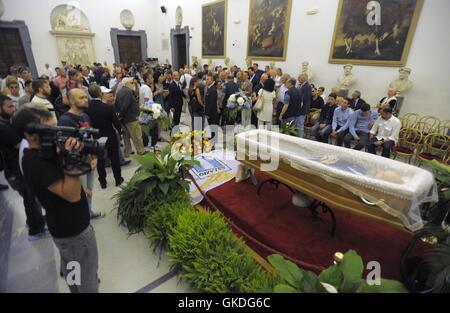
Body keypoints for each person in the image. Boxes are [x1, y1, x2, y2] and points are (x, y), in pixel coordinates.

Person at [14, 107, 99, 293]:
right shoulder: (33, 161)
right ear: (31, 132)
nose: (55, 127)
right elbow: (71, 194)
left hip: (64, 228)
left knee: (74, 273)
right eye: (48, 124)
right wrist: (71, 160)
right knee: (87, 279)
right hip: (74, 232)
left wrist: (81, 156)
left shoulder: (44, 150)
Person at [0, 95, 46, 240]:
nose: (13, 109)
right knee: (29, 199)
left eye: (13, 106)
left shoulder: (8, 123)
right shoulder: (4, 129)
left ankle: (36, 222)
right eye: (9, 107)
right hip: (15, 171)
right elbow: (21, 144)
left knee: (31, 198)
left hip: (17, 168)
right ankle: (35, 230)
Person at [58, 88, 104, 219]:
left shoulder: (85, 116)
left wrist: (94, 158)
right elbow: (66, 148)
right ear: (72, 101)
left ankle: (88, 212)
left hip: (89, 161)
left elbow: (91, 137)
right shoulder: (65, 120)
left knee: (90, 190)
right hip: (77, 164)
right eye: (81, 98)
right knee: (82, 193)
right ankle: (82, 217)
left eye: (85, 97)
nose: (85, 100)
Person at [85, 84, 124, 189]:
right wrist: (120, 132)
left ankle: (103, 181)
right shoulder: (107, 108)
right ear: (100, 94)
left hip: (96, 137)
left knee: (100, 161)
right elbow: (116, 123)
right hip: (110, 136)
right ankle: (118, 179)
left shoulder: (87, 109)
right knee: (114, 158)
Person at [115, 78, 145, 157]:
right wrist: (121, 115)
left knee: (126, 136)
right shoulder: (128, 91)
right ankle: (141, 151)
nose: (133, 84)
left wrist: (120, 116)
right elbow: (125, 106)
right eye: (132, 82)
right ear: (127, 83)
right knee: (137, 135)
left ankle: (127, 152)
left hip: (125, 118)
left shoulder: (120, 91)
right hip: (131, 118)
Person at [204, 74, 219, 139]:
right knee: (211, 126)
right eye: (206, 79)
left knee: (213, 126)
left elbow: (211, 103)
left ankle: (213, 140)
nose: (206, 81)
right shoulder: (209, 88)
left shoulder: (212, 90)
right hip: (210, 112)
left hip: (212, 113)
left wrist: (207, 113)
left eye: (208, 79)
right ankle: (212, 137)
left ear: (212, 80)